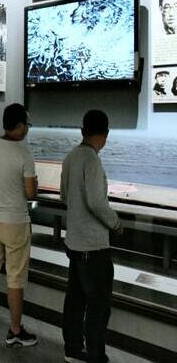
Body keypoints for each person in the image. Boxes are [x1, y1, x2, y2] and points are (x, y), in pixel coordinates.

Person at [61, 110, 123, 363]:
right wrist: (115, 223)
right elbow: (97, 202)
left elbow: (64, 196)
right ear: (105, 134)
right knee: (98, 305)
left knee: (75, 300)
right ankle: (96, 356)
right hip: (93, 246)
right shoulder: (92, 161)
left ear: (82, 130)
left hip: (73, 242)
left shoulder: (70, 157)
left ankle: (73, 349)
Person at [0, 103, 38, 346]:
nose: (28, 129)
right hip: (16, 222)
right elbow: (31, 193)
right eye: (28, 125)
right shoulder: (24, 154)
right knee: (15, 278)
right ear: (20, 125)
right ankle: (14, 330)